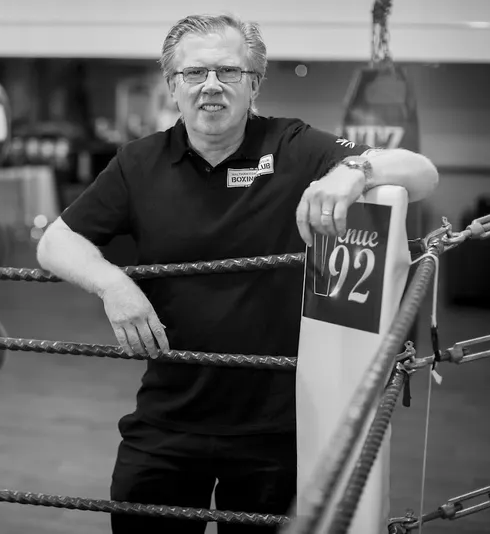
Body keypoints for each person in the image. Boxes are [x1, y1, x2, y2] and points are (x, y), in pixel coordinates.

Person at [36, 13, 439, 533]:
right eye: (194, 74)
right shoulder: (139, 163)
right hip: (167, 418)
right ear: (172, 85)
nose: (211, 87)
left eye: (228, 72)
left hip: (273, 427)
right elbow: (54, 242)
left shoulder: (293, 146)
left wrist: (353, 172)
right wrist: (113, 283)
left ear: (254, 85)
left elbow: (421, 173)